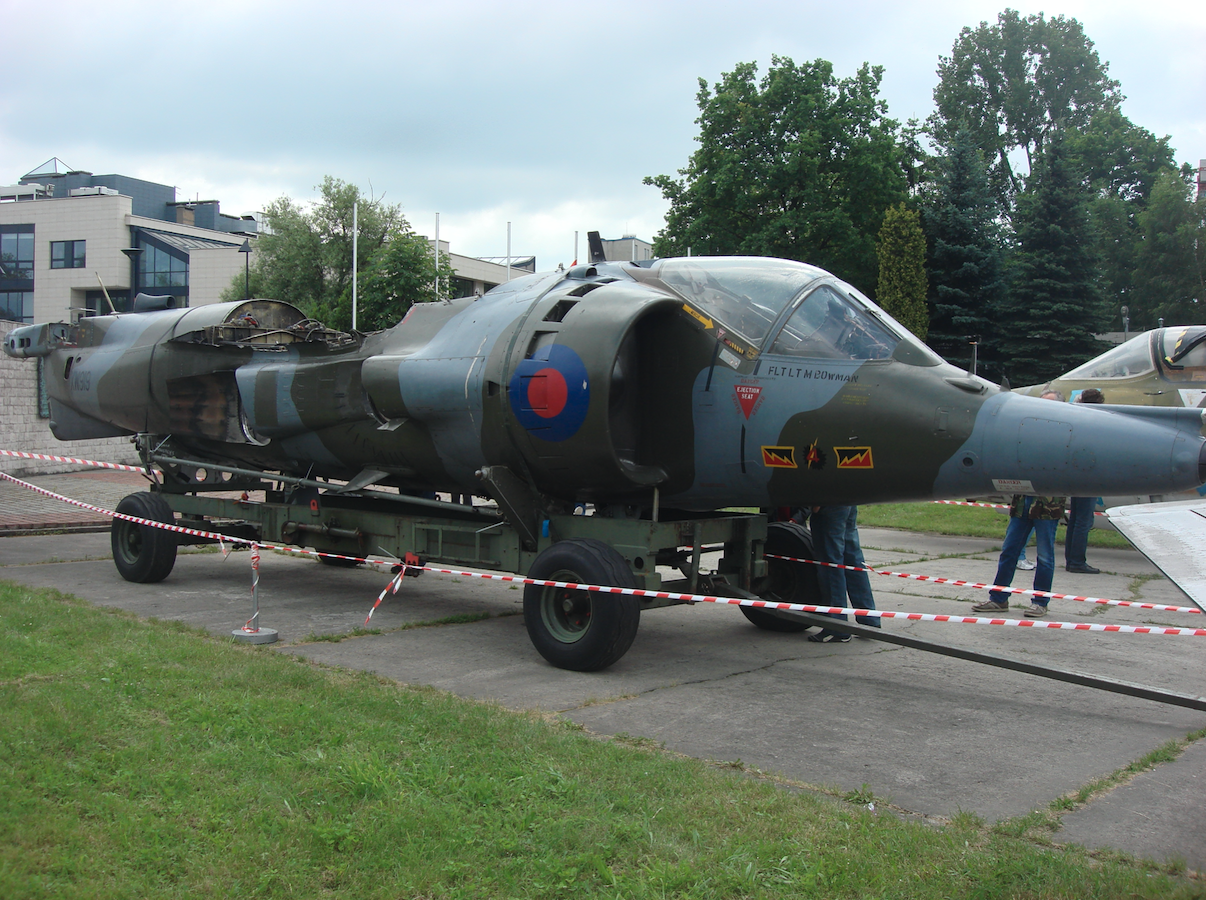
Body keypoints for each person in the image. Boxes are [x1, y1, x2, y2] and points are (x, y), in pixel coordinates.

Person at [972, 390, 1067, 618]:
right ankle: (998, 599)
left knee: (1045, 556)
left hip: (1047, 505)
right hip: (1023, 502)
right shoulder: (1026, 432)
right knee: (1009, 551)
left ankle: (1040, 602)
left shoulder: (1063, 435)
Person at [807, 505, 880, 642]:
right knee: (852, 559)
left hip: (829, 502)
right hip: (847, 500)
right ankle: (869, 621)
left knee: (830, 564)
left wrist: (817, 502)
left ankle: (837, 626)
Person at [1065, 388, 1105, 574]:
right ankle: (1077, 561)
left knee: (1075, 519)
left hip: (1075, 476)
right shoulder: (1098, 422)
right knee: (1083, 520)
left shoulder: (1077, 418)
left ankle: (1071, 559)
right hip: (1089, 476)